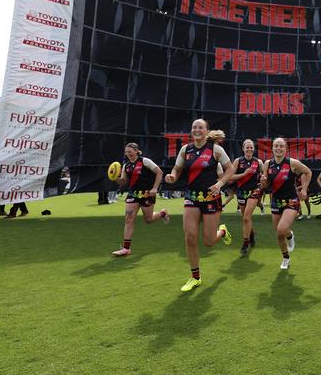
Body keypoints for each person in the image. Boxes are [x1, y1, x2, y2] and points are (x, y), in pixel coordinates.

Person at [165, 119, 234, 292]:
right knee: (190, 237)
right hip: (191, 198)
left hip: (211, 198)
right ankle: (195, 277)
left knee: (209, 242)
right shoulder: (185, 149)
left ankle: (223, 231)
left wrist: (220, 184)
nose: (196, 129)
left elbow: (230, 169)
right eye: (194, 127)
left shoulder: (215, 150)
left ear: (206, 131)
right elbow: (177, 168)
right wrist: (172, 176)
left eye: (200, 127)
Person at [260, 137, 311, 269]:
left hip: (291, 200)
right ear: (272, 148)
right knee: (278, 234)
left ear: (285, 149)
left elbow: (307, 172)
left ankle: (290, 235)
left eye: (281, 146)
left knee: (282, 229)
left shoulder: (292, 163)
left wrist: (304, 189)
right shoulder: (267, 164)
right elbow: (265, 185)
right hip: (275, 200)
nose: (278, 148)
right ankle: (286, 258)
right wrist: (263, 181)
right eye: (276, 146)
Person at [111, 143, 169, 257]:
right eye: (126, 152)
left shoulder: (145, 161)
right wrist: (115, 178)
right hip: (133, 195)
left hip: (147, 194)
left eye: (130, 151)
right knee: (128, 220)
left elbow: (159, 172)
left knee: (148, 219)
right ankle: (126, 249)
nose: (128, 154)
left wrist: (155, 188)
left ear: (137, 151)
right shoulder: (126, 166)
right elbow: (124, 182)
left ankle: (163, 213)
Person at [229, 139, 264, 255]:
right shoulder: (238, 161)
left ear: (254, 149)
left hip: (254, 192)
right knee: (246, 218)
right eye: (247, 147)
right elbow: (230, 177)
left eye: (251, 147)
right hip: (241, 192)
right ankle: (252, 235)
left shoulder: (258, 162)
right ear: (243, 149)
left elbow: (265, 176)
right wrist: (243, 174)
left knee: (246, 217)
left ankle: (245, 244)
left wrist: (263, 180)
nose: (249, 149)